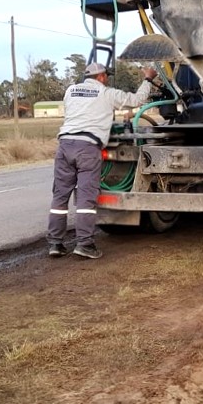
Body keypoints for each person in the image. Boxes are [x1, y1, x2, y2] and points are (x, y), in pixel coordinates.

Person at [48, 62, 157, 259]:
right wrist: (148, 79)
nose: (106, 79)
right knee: (86, 198)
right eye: (106, 76)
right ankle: (85, 244)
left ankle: (55, 244)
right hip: (87, 147)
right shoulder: (107, 94)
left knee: (59, 197)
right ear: (100, 77)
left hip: (65, 145)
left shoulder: (70, 90)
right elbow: (137, 99)